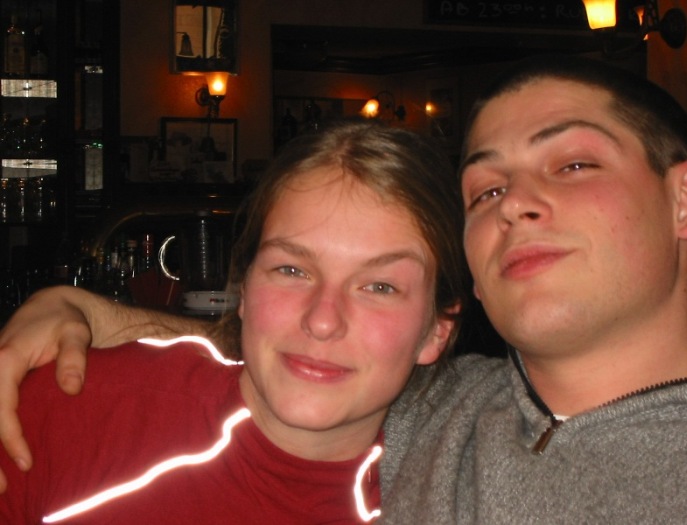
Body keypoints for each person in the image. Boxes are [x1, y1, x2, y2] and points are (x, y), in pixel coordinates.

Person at [3, 54, 687, 522]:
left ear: (686, 196)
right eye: (486, 189)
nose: (514, 202)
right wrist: (84, 313)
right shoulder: (446, 413)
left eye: (574, 164)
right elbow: (294, 356)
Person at [0, 118, 466, 523]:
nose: (323, 322)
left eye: (379, 287)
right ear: (243, 287)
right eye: (291, 270)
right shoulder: (67, 410)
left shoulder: (469, 493)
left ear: (437, 330)